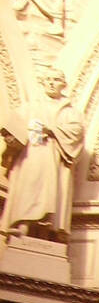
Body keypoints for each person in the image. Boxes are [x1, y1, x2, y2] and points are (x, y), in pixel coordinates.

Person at [1, 67, 83, 240]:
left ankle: (45, 234)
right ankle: (22, 224)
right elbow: (15, 125)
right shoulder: (32, 106)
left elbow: (76, 132)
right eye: (48, 80)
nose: (52, 83)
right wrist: (10, 137)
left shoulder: (70, 111)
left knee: (50, 191)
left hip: (54, 156)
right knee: (30, 186)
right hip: (32, 154)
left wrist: (52, 130)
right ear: (43, 83)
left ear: (64, 85)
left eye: (56, 80)